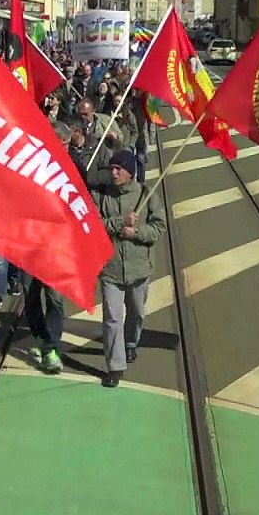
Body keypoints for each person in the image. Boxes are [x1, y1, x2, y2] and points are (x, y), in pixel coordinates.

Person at [92, 150, 166, 388]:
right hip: (110, 268)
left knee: (136, 313)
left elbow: (158, 228)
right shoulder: (101, 195)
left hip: (139, 268)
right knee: (112, 318)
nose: (113, 173)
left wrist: (136, 233)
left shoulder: (146, 194)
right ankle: (115, 366)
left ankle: (131, 343)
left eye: (118, 169)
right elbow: (94, 225)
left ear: (130, 172)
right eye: (112, 169)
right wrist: (120, 222)